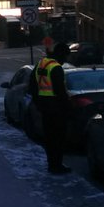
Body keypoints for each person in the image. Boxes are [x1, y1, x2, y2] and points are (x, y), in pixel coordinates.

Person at [29, 41, 72, 174]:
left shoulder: (41, 64)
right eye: (66, 56)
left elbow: (32, 85)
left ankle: (52, 164)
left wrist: (38, 103)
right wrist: (68, 108)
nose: (66, 60)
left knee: (49, 138)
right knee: (58, 138)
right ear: (61, 54)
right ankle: (57, 165)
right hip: (56, 109)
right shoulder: (56, 68)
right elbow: (60, 92)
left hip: (44, 107)